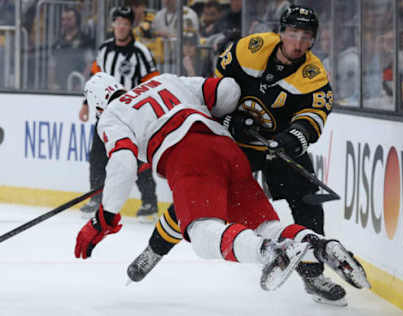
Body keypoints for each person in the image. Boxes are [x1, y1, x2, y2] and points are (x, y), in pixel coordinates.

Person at [129, 5, 350, 307]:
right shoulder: (250, 49)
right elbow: (215, 88)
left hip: (277, 148)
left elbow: (315, 115)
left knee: (308, 201)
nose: (298, 43)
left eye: (306, 37)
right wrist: (228, 118)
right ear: (282, 32)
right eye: (293, 33)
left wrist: (293, 137)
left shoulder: (313, 75)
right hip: (230, 141)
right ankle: (154, 251)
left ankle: (313, 275)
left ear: (313, 40)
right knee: (195, 204)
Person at [74, 71, 370, 296]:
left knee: (203, 235)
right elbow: (227, 91)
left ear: (98, 106)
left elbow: (122, 164)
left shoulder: (110, 116)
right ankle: (318, 244)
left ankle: (270, 252)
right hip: (228, 149)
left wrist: (104, 220)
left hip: (189, 160)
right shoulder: (164, 80)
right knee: (264, 224)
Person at [78, 6, 160, 220]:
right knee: (97, 157)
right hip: (103, 115)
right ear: (113, 24)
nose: (121, 27)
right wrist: (86, 104)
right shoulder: (105, 49)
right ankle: (96, 198)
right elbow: (95, 79)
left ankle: (149, 202)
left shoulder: (140, 52)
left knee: (139, 159)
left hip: (131, 118)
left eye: (125, 23)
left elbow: (151, 82)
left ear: (130, 25)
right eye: (118, 22)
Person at [49, 7, 93, 91]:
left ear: (77, 20)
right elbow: (52, 66)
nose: (65, 22)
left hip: (78, 88)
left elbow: (89, 64)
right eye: (63, 19)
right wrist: (51, 84)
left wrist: (82, 82)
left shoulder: (85, 40)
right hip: (59, 88)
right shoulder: (57, 41)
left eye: (69, 19)